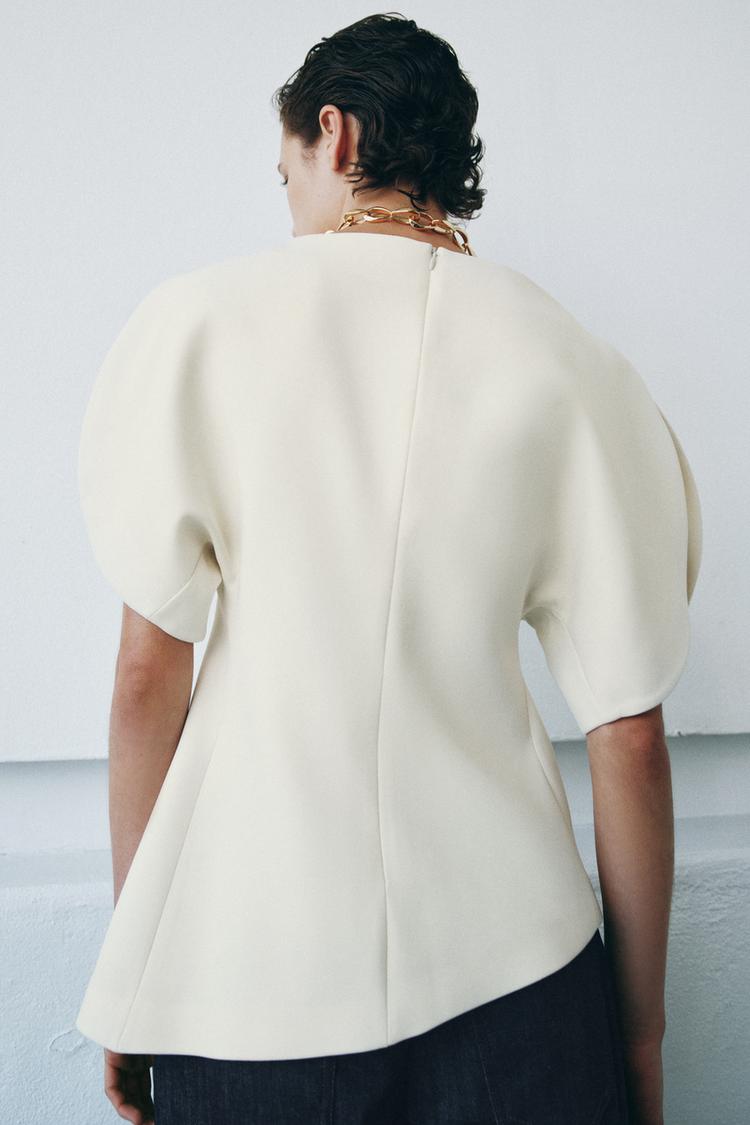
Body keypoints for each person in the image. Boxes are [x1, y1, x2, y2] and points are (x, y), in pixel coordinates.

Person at [74, 13, 701, 1125]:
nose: (289, 209)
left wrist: (138, 973)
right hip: (519, 985)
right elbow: (631, 736)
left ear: (335, 132)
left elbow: (143, 680)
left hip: (244, 983)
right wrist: (640, 1037)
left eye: (286, 177)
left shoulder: (197, 326)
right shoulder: (574, 363)